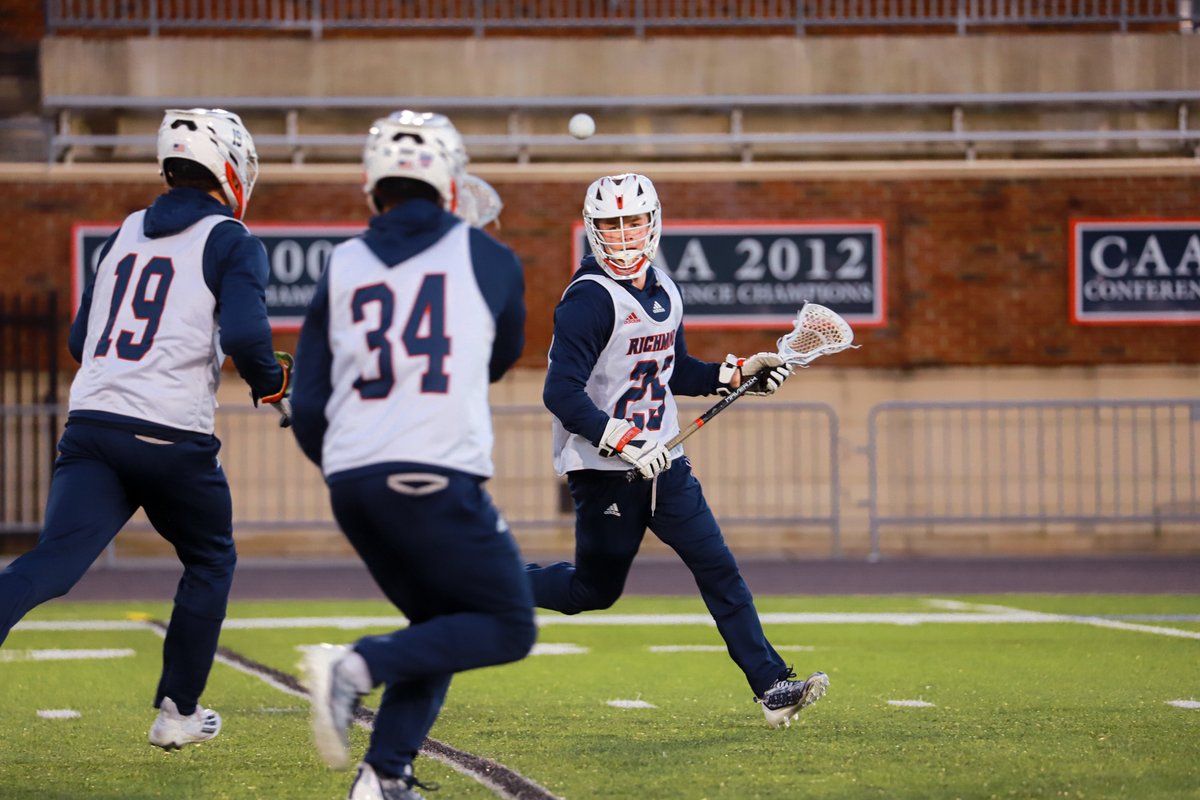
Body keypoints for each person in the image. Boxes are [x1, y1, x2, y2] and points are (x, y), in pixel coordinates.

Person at [0, 108, 291, 748]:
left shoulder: (125, 231)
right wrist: (271, 382)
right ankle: (178, 713)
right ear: (232, 166)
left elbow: (82, 340)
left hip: (92, 426)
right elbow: (245, 334)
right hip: (168, 435)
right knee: (211, 559)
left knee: (54, 562)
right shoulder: (230, 240)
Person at [291, 110, 536, 800]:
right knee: (508, 625)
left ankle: (383, 776)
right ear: (449, 178)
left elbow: (309, 404)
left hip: (352, 479)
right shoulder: (487, 257)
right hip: (433, 472)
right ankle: (355, 666)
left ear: (375, 181)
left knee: (443, 623)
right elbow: (501, 355)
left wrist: (348, 464)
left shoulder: (340, 263)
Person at [527, 173, 829, 729]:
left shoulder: (664, 287)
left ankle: (772, 685)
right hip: (606, 471)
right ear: (594, 230)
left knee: (718, 567)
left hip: (666, 464)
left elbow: (673, 371)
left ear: (653, 222)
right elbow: (560, 393)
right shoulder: (588, 301)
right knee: (590, 592)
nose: (623, 235)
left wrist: (737, 373)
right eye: (612, 224)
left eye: (633, 221)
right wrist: (622, 439)